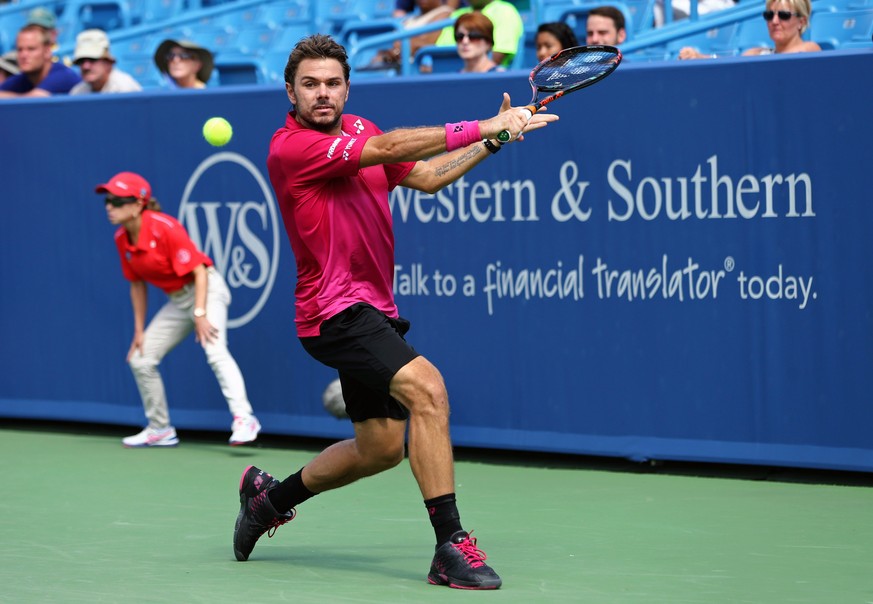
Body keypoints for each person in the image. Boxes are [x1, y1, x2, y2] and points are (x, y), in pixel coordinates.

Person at [233, 34, 558, 590]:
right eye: (309, 84)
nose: (322, 94)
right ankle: (451, 546)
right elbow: (385, 153)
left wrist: (495, 139)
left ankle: (269, 499)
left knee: (380, 448)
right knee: (428, 391)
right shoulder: (290, 147)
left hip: (375, 307)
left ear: (347, 87)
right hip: (332, 310)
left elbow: (428, 178)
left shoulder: (360, 127)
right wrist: (482, 124)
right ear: (290, 91)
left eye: (333, 83)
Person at [94, 171, 262, 448]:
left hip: (207, 290)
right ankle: (160, 429)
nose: (110, 206)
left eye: (117, 200)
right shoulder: (121, 239)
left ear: (138, 204)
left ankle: (245, 419)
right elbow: (137, 284)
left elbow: (199, 272)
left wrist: (200, 314)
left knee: (215, 350)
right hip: (178, 300)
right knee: (140, 358)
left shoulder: (165, 227)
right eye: (107, 200)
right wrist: (138, 331)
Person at [678, 0, 820, 58]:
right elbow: (730, 65)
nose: (775, 21)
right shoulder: (755, 53)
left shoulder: (809, 49)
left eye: (783, 15)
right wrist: (699, 57)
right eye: (769, 15)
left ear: (802, 21)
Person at [434, 0, 524, 67]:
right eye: (460, 36)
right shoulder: (457, 14)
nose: (465, 41)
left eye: (474, 36)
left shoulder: (505, 11)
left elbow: (496, 57)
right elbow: (438, 53)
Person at [0, 24, 80, 98]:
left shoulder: (63, 75)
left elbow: (36, 100)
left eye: (31, 49)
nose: (23, 55)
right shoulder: (20, 80)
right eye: (20, 49)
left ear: (47, 51)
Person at [70, 29, 142, 95]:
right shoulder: (78, 92)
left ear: (108, 63)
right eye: (81, 61)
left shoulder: (125, 89)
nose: (86, 66)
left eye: (92, 59)